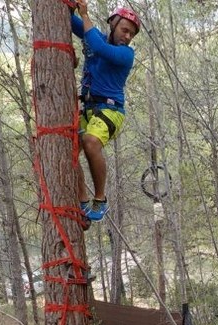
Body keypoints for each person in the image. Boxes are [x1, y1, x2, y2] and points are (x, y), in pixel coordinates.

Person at [71, 0, 140, 222]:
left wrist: (84, 14)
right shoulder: (97, 37)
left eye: (131, 34)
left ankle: (100, 199)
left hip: (111, 110)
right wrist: (69, 7)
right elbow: (72, 23)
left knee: (91, 142)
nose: (127, 37)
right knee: (68, 151)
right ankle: (82, 200)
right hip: (89, 108)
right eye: (124, 30)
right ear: (113, 23)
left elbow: (99, 48)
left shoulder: (126, 55)